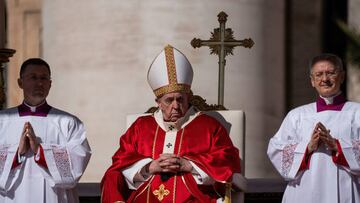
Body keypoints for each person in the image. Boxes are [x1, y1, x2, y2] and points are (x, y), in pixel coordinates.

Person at [101, 45, 241, 203]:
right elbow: (119, 164)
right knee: (111, 175)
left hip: (193, 199)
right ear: (158, 102)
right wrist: (148, 167)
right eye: (169, 100)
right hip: (145, 198)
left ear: (187, 97)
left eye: (180, 99)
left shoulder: (209, 126)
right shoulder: (141, 126)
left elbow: (228, 161)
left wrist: (190, 165)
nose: (175, 105)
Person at [267, 53, 360, 203]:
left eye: (330, 73)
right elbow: (276, 149)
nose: (325, 79)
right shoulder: (297, 115)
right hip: (304, 190)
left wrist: (338, 146)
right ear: (312, 81)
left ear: (342, 77)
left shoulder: (357, 112)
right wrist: (307, 147)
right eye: (319, 74)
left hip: (347, 190)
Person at [0, 58, 91, 202]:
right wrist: (17, 153)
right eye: (33, 77)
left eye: (44, 78)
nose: (39, 83)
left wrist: (40, 151)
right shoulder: (2, 121)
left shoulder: (68, 122)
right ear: (20, 82)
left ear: (50, 84)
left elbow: (77, 162)